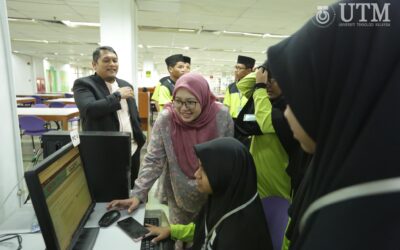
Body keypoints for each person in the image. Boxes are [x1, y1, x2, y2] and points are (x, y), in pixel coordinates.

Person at [267, 0, 400, 248]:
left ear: (340, 95)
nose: (286, 114)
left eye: (298, 97)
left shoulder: (360, 222)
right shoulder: (347, 181)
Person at [108, 73, 234, 241]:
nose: (183, 108)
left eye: (190, 102)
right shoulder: (167, 118)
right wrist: (138, 194)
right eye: (178, 101)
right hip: (179, 193)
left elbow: (227, 159)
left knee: (208, 235)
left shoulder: (221, 115)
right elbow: (153, 160)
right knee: (179, 237)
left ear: (203, 98)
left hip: (212, 193)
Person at [145, 137, 273, 250]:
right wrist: (171, 231)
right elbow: (204, 230)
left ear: (225, 175)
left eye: (204, 170)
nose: (196, 174)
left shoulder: (239, 238)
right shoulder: (223, 199)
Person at [72, 46, 145, 188]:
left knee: (132, 187)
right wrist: (117, 96)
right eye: (106, 60)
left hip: (133, 147)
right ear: (94, 64)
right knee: (110, 190)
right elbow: (89, 109)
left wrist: (139, 136)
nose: (112, 64)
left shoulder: (125, 85)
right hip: (106, 151)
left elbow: (133, 114)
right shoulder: (84, 84)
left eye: (115, 60)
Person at [236, 70, 291, 201]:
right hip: (257, 175)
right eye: (267, 80)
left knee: (280, 214)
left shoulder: (290, 108)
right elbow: (242, 85)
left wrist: (260, 87)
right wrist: (263, 68)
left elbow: (267, 123)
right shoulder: (264, 101)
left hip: (280, 177)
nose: (268, 85)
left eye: (274, 80)